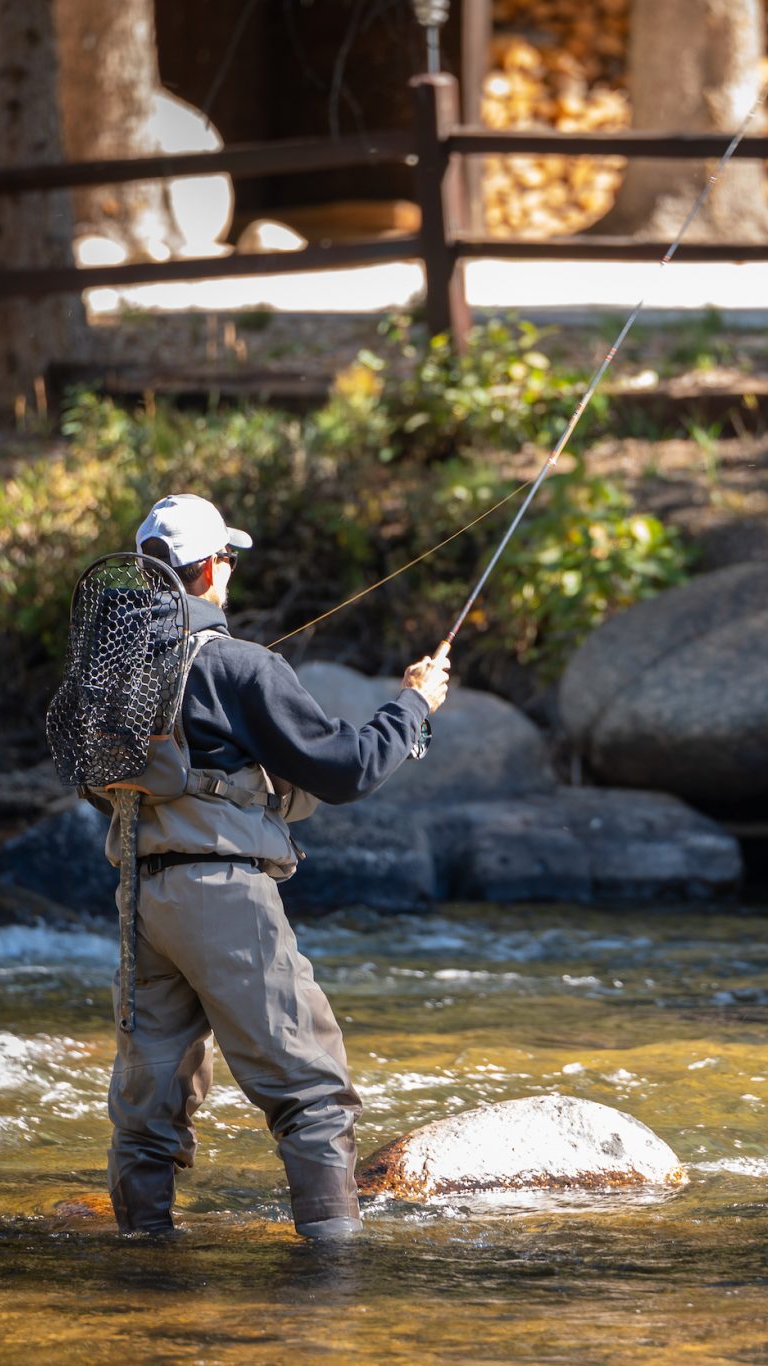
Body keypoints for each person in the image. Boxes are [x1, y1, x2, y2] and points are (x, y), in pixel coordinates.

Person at [104, 493, 450, 1241]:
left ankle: (138, 1260)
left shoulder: (119, 675)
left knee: (148, 1100)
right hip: (223, 897)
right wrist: (414, 706)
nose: (230, 571)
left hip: (143, 895)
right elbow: (350, 770)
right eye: (227, 559)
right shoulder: (239, 666)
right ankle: (333, 1270)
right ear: (208, 572)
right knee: (310, 1089)